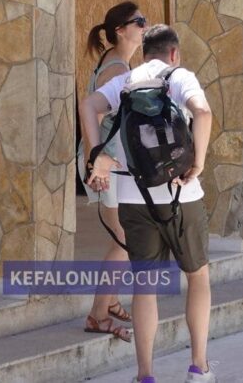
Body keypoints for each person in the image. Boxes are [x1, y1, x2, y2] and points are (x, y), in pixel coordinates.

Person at [82, 24, 215, 383]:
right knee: (197, 276)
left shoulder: (126, 81)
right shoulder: (180, 76)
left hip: (133, 197)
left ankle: (145, 375)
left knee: (145, 286)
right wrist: (198, 163)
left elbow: (88, 105)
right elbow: (202, 113)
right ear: (174, 53)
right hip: (182, 196)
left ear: (144, 54)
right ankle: (198, 367)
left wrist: (96, 155)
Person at [77, 1, 149, 343]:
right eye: (139, 21)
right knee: (124, 239)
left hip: (112, 164)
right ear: (120, 30)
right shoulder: (117, 69)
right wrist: (97, 160)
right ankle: (98, 314)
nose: (145, 26)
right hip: (108, 165)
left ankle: (110, 301)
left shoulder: (118, 62)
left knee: (123, 238)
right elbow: (92, 113)